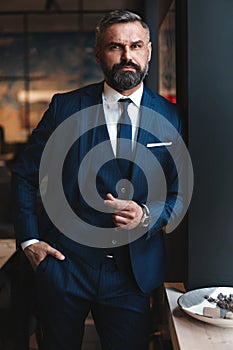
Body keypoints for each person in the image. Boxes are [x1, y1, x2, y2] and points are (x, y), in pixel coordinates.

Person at [12, 10, 185, 350]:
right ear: (98, 53)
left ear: (148, 51)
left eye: (135, 46)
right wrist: (29, 242)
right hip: (64, 266)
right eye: (115, 47)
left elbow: (179, 191)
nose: (127, 57)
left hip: (133, 273)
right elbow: (25, 176)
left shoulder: (171, 115)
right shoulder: (64, 108)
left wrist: (148, 215)